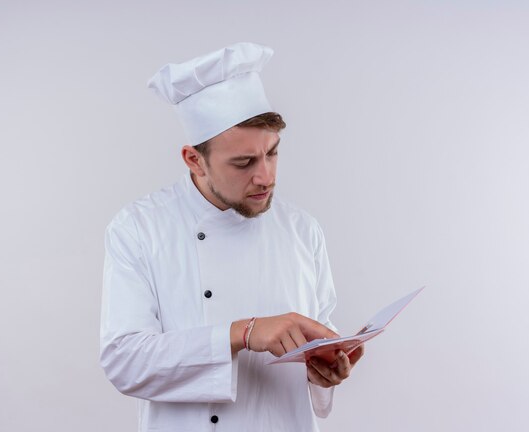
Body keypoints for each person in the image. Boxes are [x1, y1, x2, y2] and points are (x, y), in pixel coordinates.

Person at [100, 42, 363, 432]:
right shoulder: (140, 228)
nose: (266, 177)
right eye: (244, 163)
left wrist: (323, 370)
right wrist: (242, 333)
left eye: (272, 153)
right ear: (194, 159)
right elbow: (125, 362)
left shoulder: (303, 230)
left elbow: (318, 338)